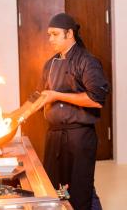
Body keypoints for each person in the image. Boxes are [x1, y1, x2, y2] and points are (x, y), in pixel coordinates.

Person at [38, 13, 109, 210]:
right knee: (59, 188)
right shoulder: (50, 64)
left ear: (69, 34)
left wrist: (57, 96)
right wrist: (14, 118)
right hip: (55, 136)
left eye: (54, 34)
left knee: (80, 189)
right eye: (48, 34)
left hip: (79, 137)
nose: (50, 39)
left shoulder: (87, 61)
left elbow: (96, 100)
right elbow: (40, 96)